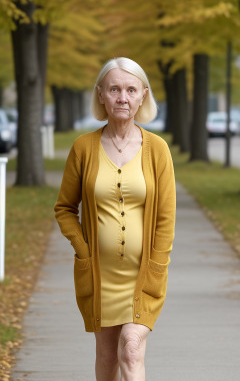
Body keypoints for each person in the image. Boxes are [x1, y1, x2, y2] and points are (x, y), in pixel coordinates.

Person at [54, 57, 176, 381]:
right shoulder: (83, 148)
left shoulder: (158, 150)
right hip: (99, 275)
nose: (123, 97)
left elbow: (165, 218)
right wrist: (83, 248)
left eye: (131, 89)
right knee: (107, 359)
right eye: (114, 89)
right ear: (101, 95)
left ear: (143, 95)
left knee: (131, 348)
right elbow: (64, 207)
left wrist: (157, 265)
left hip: (143, 274)